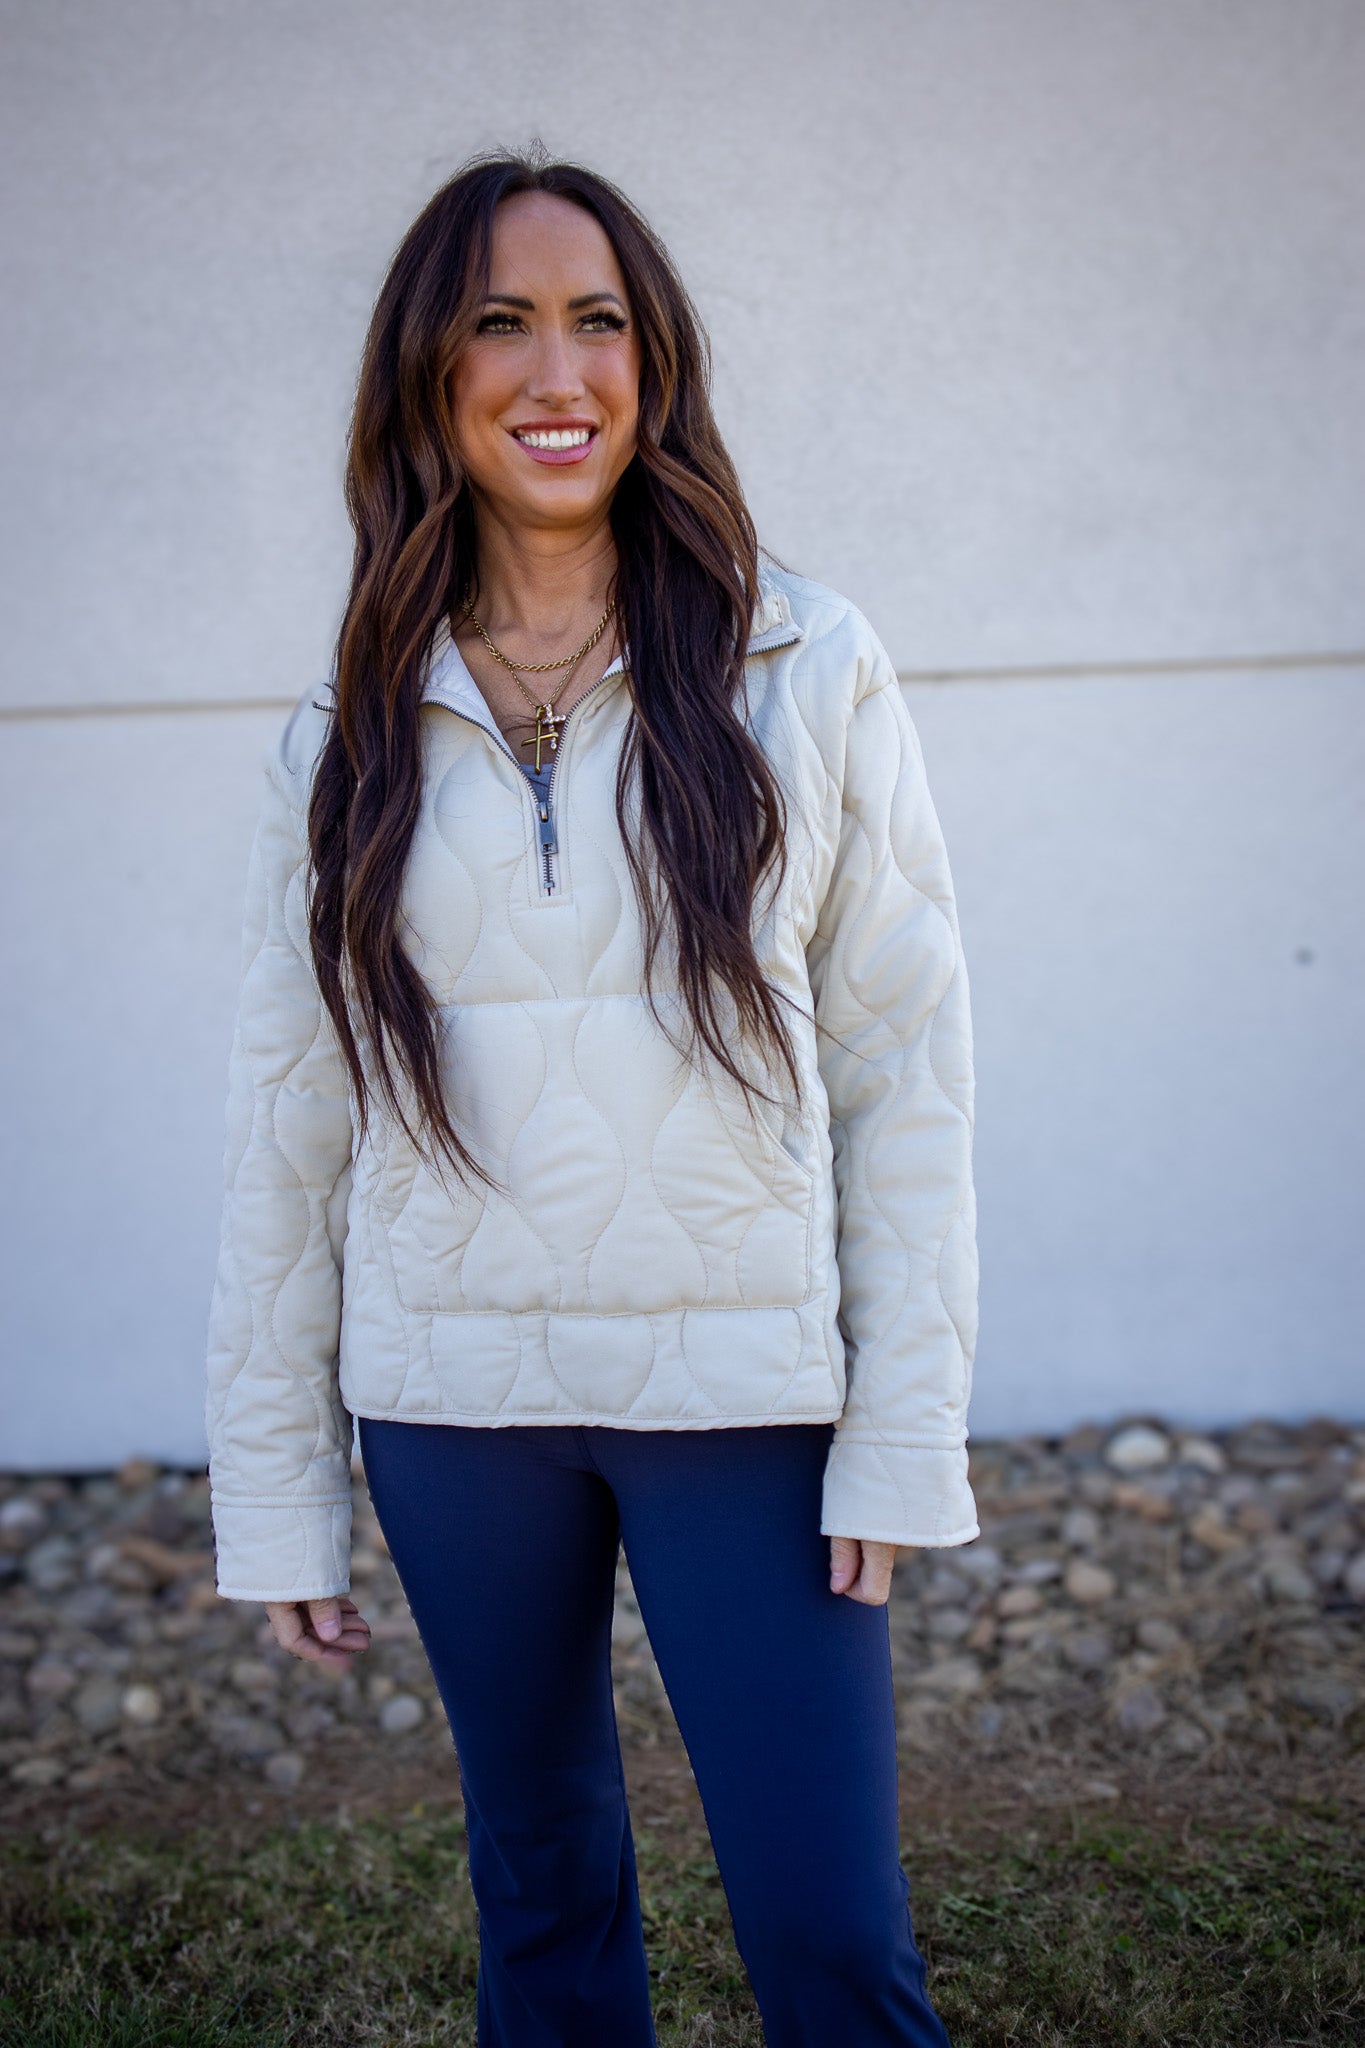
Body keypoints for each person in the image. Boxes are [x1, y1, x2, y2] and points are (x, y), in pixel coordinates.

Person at [206, 149, 979, 2048]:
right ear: (427, 371)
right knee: (541, 1904)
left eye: (597, 321)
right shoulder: (345, 722)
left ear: (655, 361)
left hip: (742, 1397)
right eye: (500, 322)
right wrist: (280, 1494)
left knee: (829, 1934)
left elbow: (904, 1072)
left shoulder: (804, 659)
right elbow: (291, 1121)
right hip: (452, 1405)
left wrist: (902, 1429)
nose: (556, 373)